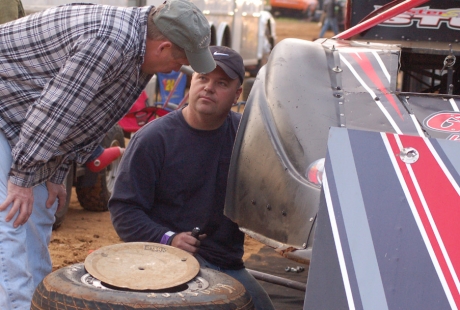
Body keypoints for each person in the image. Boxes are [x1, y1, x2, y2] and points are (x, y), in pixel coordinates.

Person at [0, 0, 215, 308]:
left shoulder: (141, 48)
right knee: (10, 219)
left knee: (39, 214)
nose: (177, 69)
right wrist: (21, 179)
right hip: (9, 110)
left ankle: (35, 302)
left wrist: (56, 174)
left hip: (24, 116)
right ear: (164, 47)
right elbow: (56, 112)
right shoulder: (109, 41)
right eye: (181, 59)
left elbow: (88, 117)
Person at [109, 45, 275, 310]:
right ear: (191, 82)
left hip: (224, 263)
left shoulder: (247, 139)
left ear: (237, 94)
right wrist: (168, 238)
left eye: (221, 83)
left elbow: (269, 198)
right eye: (203, 78)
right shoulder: (153, 139)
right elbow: (124, 210)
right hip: (164, 262)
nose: (209, 87)